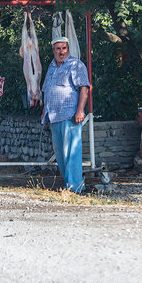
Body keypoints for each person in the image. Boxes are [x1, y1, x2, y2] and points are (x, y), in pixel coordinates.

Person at [41, 37, 90, 193]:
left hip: (69, 114)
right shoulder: (51, 67)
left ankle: (75, 187)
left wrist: (80, 110)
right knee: (60, 154)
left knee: (72, 152)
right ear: (53, 50)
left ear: (68, 49)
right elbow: (47, 89)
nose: (61, 51)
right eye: (58, 49)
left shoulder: (76, 65)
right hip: (54, 115)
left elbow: (84, 88)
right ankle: (68, 184)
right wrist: (45, 112)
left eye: (64, 48)